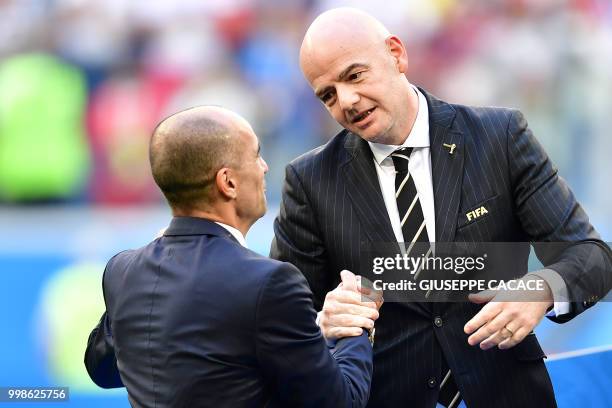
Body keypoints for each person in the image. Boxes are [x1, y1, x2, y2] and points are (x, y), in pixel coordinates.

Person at [270, 8, 611, 408]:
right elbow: (283, 326)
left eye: (354, 75)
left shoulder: (498, 137)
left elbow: (593, 256)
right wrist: (323, 324)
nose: (346, 101)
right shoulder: (309, 180)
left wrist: (539, 290)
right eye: (327, 95)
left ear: (397, 54)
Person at [84, 106, 374, 407]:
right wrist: (356, 319)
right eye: (255, 156)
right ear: (228, 182)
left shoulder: (124, 270)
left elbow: (103, 368)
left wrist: (314, 332)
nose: (264, 167)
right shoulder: (270, 282)